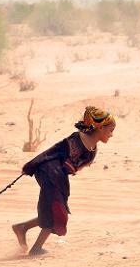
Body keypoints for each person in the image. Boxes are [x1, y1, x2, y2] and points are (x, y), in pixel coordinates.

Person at [12, 106, 116, 255]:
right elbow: (51, 152)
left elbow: (77, 165)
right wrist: (30, 166)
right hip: (49, 172)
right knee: (57, 212)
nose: (111, 135)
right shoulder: (76, 139)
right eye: (110, 130)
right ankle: (36, 249)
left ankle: (23, 227)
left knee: (54, 210)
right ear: (100, 128)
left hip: (59, 177)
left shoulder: (92, 148)